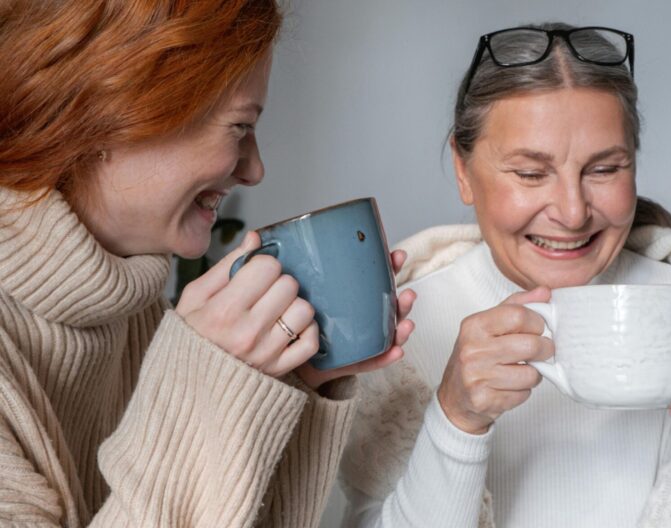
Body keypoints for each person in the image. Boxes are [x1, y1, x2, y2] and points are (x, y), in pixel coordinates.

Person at [0, 1, 416, 526]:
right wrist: (202, 381)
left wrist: (288, 387)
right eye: (240, 126)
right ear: (111, 111)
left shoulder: (130, 307)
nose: (255, 169)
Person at [340, 23, 671, 527]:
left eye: (604, 169)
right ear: (462, 169)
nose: (571, 212)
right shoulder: (402, 336)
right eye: (530, 173)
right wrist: (455, 421)